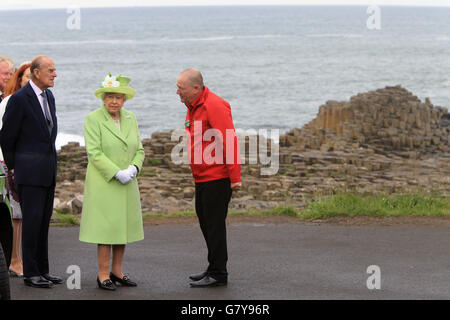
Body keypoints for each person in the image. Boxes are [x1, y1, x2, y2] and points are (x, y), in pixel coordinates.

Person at [176, 68, 241, 287]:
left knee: (214, 225)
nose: (177, 92)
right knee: (206, 223)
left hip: (217, 178)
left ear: (196, 88)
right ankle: (212, 268)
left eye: (181, 88)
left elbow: (229, 140)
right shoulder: (192, 106)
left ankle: (219, 274)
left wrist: (235, 177)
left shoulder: (214, 104)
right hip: (202, 177)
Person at [79, 74, 145, 291]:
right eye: (110, 97)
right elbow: (94, 153)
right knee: (106, 229)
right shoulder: (93, 119)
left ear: (124, 100)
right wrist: (117, 172)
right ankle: (102, 274)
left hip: (127, 182)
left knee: (121, 227)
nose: (114, 101)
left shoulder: (130, 118)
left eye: (118, 97)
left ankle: (117, 271)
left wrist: (134, 168)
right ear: (103, 99)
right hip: (105, 183)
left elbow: (140, 149)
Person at [0, 55, 61, 288]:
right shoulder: (20, 99)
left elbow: (49, 133)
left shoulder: (49, 96)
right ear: (36, 72)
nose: (55, 74)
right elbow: (7, 138)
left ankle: (43, 270)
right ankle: (31, 274)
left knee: (44, 222)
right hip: (28, 172)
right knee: (32, 222)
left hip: (47, 170)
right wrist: (15, 168)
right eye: (51, 70)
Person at [0, 61, 32, 278]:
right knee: (15, 215)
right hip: (7, 164)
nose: (8, 76)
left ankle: (18, 259)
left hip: (23, 163)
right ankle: (14, 260)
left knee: (20, 216)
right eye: (7, 73)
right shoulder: (10, 101)